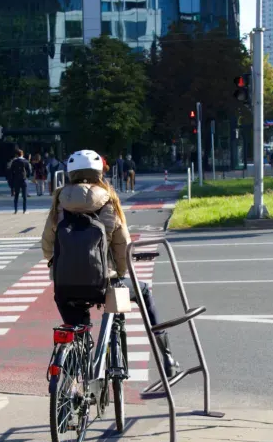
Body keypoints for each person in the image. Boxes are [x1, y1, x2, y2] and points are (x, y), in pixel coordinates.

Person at [41, 149, 180, 378]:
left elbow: (47, 244)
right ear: (98, 173)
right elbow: (122, 244)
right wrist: (119, 273)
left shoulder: (59, 200)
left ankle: (77, 374)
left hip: (64, 286)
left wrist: (58, 266)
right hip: (104, 284)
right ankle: (167, 357)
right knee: (144, 292)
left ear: (70, 173)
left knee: (77, 327)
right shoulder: (108, 199)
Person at [9, 149, 32, 214]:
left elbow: (11, 171)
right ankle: (24, 210)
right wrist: (27, 176)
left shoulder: (14, 162)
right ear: (22, 154)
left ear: (16, 155)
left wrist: (13, 179)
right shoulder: (26, 161)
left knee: (16, 195)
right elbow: (29, 171)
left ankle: (16, 210)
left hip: (16, 180)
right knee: (24, 196)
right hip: (24, 180)